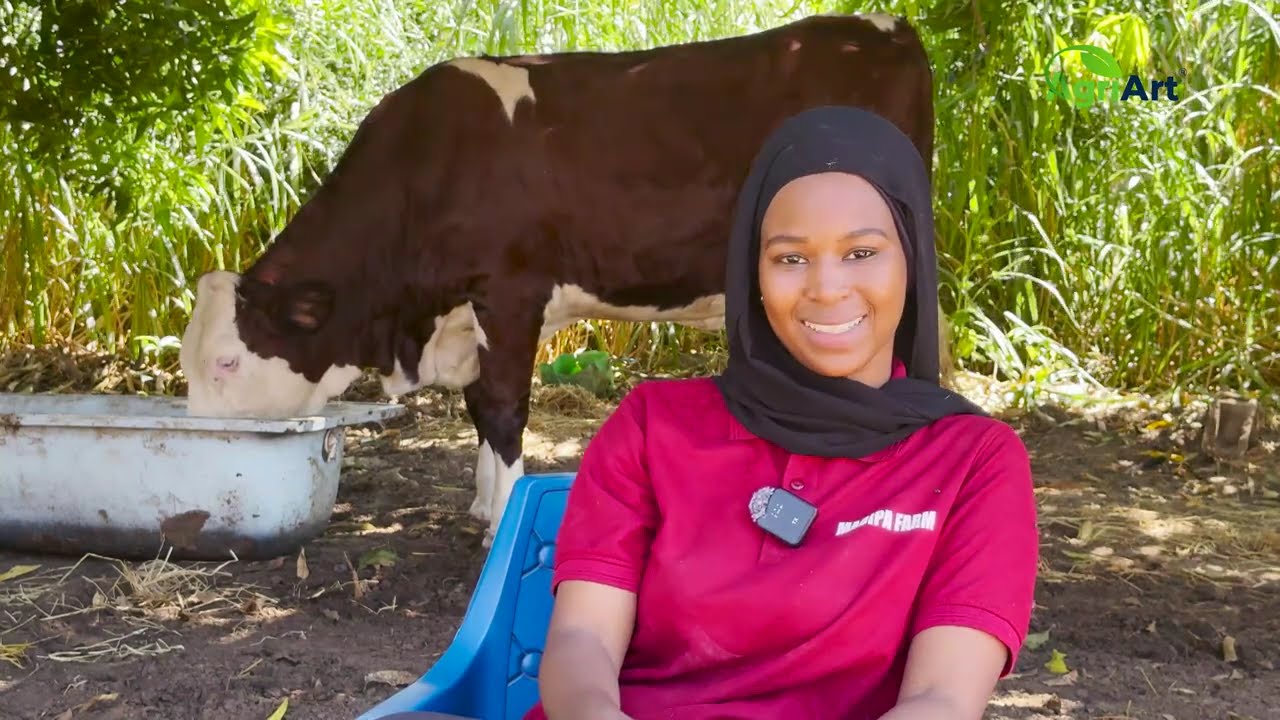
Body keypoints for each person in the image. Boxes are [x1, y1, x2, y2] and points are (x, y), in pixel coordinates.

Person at [526, 105, 1040, 720]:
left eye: (861, 252)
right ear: (754, 272)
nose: (825, 287)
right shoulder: (652, 425)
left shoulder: (972, 462)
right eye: (790, 258)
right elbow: (582, 639)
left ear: (912, 259)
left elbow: (941, 700)